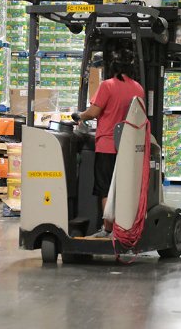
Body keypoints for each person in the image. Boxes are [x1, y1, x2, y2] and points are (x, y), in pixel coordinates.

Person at [72, 44, 145, 238]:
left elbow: (94, 112)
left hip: (107, 145)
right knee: (124, 188)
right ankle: (125, 227)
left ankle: (108, 230)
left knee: (105, 190)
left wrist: (80, 115)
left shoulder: (108, 86)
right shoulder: (138, 88)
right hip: (128, 148)